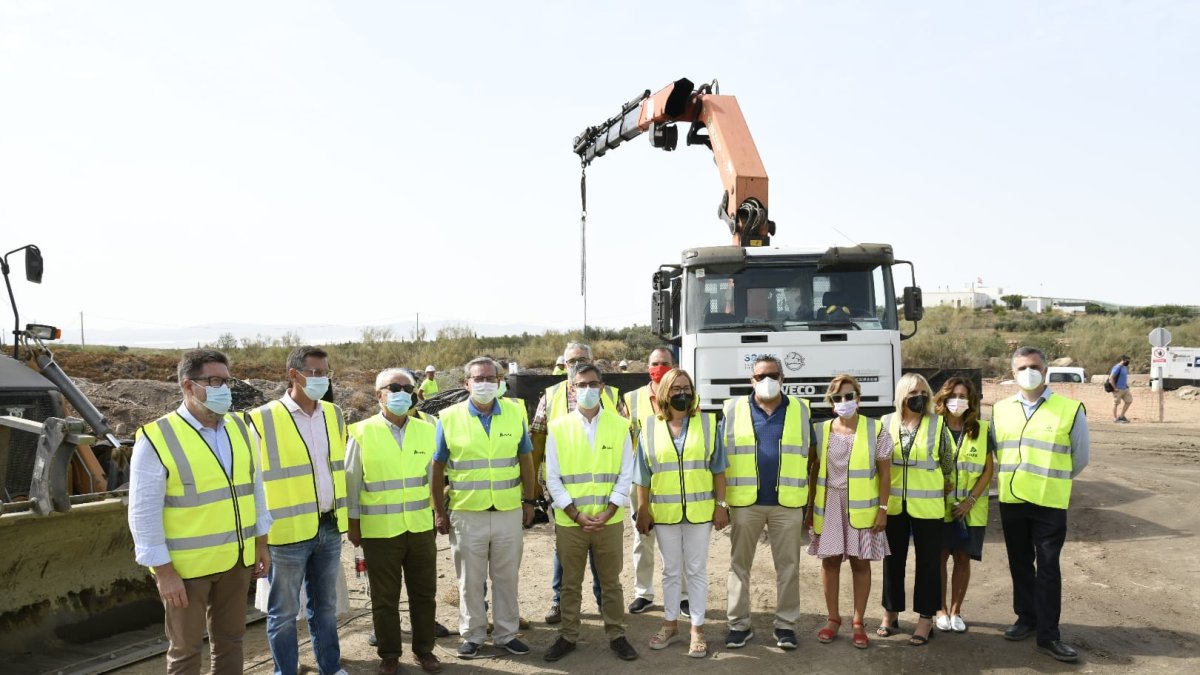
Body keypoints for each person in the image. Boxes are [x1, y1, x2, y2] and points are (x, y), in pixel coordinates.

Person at [128, 349, 271, 674]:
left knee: (231, 641)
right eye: (215, 381)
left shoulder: (240, 429)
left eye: (227, 381)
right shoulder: (156, 438)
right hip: (186, 571)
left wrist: (261, 542)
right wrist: (163, 573)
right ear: (188, 386)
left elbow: (256, 489)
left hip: (236, 561)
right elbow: (142, 514)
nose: (225, 389)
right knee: (186, 651)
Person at [247, 346, 349, 675]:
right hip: (286, 533)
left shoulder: (334, 414)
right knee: (283, 613)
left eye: (325, 373)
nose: (321, 379)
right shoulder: (262, 419)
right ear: (294, 375)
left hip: (329, 527)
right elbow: (252, 483)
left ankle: (330, 668)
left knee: (325, 608)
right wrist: (260, 538)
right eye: (315, 373)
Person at [431, 357, 537, 660]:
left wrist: (529, 501)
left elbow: (526, 460)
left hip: (507, 512)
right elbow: (437, 468)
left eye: (491, 378)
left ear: (500, 382)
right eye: (478, 378)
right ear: (467, 383)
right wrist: (440, 510)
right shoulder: (448, 417)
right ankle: (473, 635)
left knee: (506, 578)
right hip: (467, 514)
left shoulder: (515, 414)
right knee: (470, 580)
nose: (485, 383)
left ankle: (505, 634)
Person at [345, 368, 442, 674]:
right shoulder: (361, 432)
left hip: (419, 528)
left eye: (406, 388)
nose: (401, 393)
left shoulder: (428, 429)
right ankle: (389, 654)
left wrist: (438, 513)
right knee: (385, 597)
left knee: (424, 593)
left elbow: (434, 478)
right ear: (379, 395)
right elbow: (352, 483)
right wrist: (354, 524)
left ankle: (425, 650)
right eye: (393, 387)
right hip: (379, 532)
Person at [996, 346, 1089, 663]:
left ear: (1046, 370)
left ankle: (1049, 636)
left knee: (1048, 568)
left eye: (1033, 366)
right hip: (1012, 500)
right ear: (1012, 374)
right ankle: (1026, 618)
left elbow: (1080, 459)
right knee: (1019, 563)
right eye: (1021, 368)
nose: (1028, 372)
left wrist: (1054, 478)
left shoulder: (1070, 409)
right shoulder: (1001, 409)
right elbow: (998, 450)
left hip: (1049, 502)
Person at [542, 364, 639, 663]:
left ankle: (617, 634)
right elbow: (552, 477)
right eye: (581, 384)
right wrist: (574, 513)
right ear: (572, 388)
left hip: (607, 521)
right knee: (571, 583)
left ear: (602, 387)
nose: (587, 389)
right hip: (571, 522)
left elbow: (626, 472)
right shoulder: (557, 427)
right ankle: (568, 635)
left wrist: (611, 510)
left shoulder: (619, 425)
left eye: (592, 384)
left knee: (611, 582)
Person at [634, 368, 728, 659]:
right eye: (675, 389)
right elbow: (642, 475)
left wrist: (721, 506)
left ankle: (697, 628)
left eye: (686, 387)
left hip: (700, 513)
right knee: (670, 571)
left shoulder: (709, 424)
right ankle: (670, 623)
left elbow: (719, 469)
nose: (682, 393)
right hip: (665, 513)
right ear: (664, 392)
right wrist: (642, 510)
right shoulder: (649, 427)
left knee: (697, 571)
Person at [721, 355, 812, 650]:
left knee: (788, 567)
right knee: (739, 566)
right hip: (745, 502)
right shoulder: (733, 409)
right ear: (752, 380)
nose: (766, 380)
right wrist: (721, 503)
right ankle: (738, 625)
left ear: (783, 378)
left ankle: (785, 626)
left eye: (772, 374)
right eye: (760, 376)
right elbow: (720, 459)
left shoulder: (799, 409)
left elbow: (810, 455)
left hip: (787, 503)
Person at [531, 342, 622, 624]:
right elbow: (537, 439)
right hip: (565, 492)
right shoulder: (552, 395)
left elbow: (624, 441)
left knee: (603, 560)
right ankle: (559, 602)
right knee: (565, 552)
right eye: (571, 361)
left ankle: (602, 603)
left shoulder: (612, 396)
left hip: (604, 492)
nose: (576, 365)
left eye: (582, 360)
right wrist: (534, 484)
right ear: (563, 365)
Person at [806, 374, 892, 650]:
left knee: (859, 562)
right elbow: (813, 471)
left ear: (859, 399)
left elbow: (885, 474)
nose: (844, 402)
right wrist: (809, 509)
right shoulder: (820, 431)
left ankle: (858, 622)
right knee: (830, 562)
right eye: (838, 398)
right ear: (831, 403)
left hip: (861, 508)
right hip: (829, 505)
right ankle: (833, 619)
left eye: (849, 396)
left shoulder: (876, 429)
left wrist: (882, 509)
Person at [877, 373, 953, 647]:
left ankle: (925, 620)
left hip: (928, 506)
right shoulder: (886, 422)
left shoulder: (938, 424)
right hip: (894, 505)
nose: (919, 396)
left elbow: (948, 464)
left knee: (929, 564)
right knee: (892, 561)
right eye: (912, 392)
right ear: (901, 396)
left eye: (923, 391)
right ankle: (890, 613)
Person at [932, 377, 994, 634]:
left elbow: (989, 470)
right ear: (944, 399)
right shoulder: (933, 427)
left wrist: (970, 501)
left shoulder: (980, 429)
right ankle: (940, 609)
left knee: (962, 558)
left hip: (970, 508)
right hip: (939, 506)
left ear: (971, 401)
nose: (957, 401)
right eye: (953, 395)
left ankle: (956, 611)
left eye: (963, 396)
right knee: (940, 557)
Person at [622, 346, 680, 615]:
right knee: (642, 538)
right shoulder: (631, 399)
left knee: (678, 538)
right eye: (655, 363)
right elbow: (624, 439)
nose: (659, 368)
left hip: (676, 478)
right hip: (641, 480)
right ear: (647, 367)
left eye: (665, 363)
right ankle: (643, 593)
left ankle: (683, 596)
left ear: (674, 365)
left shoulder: (686, 395)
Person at [1110, 355, 1132, 423]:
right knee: (1116, 403)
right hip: (1118, 389)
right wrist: (1115, 388)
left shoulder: (1124, 368)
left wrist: (1127, 386)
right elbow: (1111, 378)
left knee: (1129, 401)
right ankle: (1115, 418)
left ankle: (1121, 416)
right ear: (1123, 360)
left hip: (1125, 389)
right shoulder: (1117, 367)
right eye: (1127, 361)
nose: (1128, 362)